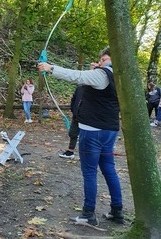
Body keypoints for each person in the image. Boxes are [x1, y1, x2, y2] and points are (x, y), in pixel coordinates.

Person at [38, 47, 124, 226]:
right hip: (110, 130)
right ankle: (117, 211)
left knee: (90, 172)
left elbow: (76, 76)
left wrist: (50, 68)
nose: (101, 62)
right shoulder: (121, 77)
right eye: (101, 60)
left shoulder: (102, 74)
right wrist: (96, 70)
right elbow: (92, 85)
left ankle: (88, 214)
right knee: (109, 168)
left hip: (93, 131)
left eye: (104, 59)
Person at [59, 85, 83, 159]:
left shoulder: (94, 89)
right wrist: (74, 110)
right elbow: (74, 99)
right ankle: (70, 152)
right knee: (72, 133)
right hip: (77, 116)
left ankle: (86, 155)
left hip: (88, 118)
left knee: (87, 136)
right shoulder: (79, 88)